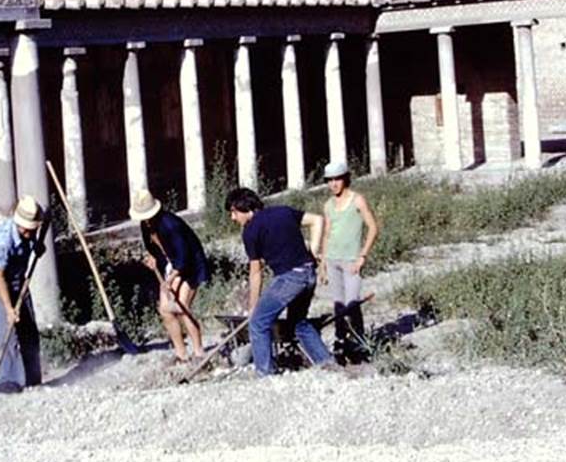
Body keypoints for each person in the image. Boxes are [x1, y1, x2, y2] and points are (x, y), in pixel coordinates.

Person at [225, 187, 333, 376]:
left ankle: (265, 374)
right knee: (299, 323)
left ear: (240, 208)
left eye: (233, 213)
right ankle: (327, 364)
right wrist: (313, 253)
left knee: (258, 323)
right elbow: (318, 220)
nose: (233, 219)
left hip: (290, 278)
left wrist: (253, 307)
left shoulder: (250, 231)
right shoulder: (283, 211)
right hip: (308, 275)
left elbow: (256, 272)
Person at [129, 189, 209, 363]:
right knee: (165, 310)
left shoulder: (170, 224)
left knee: (181, 308)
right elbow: (154, 249)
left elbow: (184, 256)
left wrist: (172, 279)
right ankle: (181, 354)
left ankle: (199, 352)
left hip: (190, 265)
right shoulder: (145, 225)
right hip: (170, 265)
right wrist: (152, 259)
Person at [0, 195, 45, 392]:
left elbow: (33, 239)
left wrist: (37, 245)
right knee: (8, 332)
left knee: (29, 331)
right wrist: (9, 309)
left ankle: (33, 381)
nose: (31, 232)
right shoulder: (3, 241)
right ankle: (7, 384)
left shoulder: (29, 232)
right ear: (21, 225)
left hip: (19, 278)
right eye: (29, 230)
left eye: (34, 229)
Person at [319, 161, 379, 364]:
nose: (333, 184)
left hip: (352, 260)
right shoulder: (328, 205)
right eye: (330, 180)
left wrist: (363, 255)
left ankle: (360, 342)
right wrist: (323, 264)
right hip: (333, 259)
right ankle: (340, 341)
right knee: (338, 304)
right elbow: (327, 233)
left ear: (345, 179)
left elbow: (372, 228)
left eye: (337, 179)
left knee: (352, 304)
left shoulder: (357, 200)